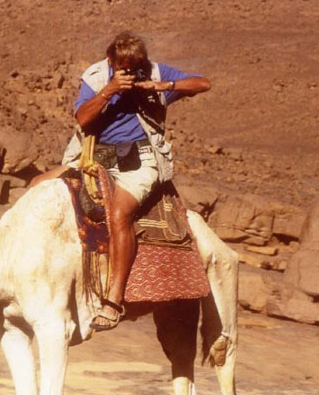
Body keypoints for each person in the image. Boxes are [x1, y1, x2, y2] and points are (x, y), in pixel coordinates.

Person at [41, 31, 211, 330]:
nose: (131, 72)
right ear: (112, 61)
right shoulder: (95, 76)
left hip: (141, 159)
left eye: (136, 66)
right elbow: (82, 118)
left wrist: (165, 86)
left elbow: (202, 83)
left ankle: (114, 299)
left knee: (120, 212)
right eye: (125, 67)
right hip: (97, 155)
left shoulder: (156, 72)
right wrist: (109, 90)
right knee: (39, 185)